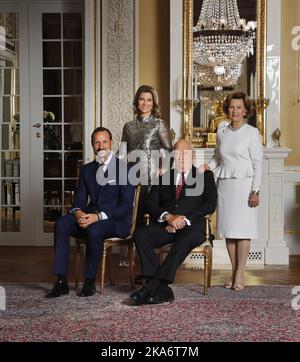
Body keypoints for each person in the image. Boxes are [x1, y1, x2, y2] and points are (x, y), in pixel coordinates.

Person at [45, 127, 135, 298]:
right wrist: (78, 213)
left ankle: (89, 281)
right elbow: (79, 201)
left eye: (104, 142)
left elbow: (125, 206)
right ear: (93, 146)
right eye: (97, 142)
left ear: (111, 143)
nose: (101, 146)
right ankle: (62, 281)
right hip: (91, 217)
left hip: (116, 221)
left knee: (94, 229)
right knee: (62, 224)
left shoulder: (125, 169)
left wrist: (98, 216)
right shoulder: (87, 170)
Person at [129, 139, 217, 305]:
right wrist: (168, 216)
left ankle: (152, 286)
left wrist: (184, 219)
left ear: (193, 155)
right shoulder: (164, 176)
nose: (182, 158)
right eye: (177, 154)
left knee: (185, 238)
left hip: (193, 226)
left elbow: (210, 205)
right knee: (141, 234)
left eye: (185, 154)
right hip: (166, 225)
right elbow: (150, 203)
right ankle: (160, 287)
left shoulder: (204, 175)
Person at [204, 92, 263, 291]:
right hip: (225, 186)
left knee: (243, 231)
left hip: (245, 186)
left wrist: (256, 190)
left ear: (245, 110)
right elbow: (217, 157)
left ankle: (240, 273)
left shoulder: (252, 133)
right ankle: (233, 271)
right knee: (229, 232)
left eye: (239, 107)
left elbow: (258, 163)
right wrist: (207, 167)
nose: (235, 111)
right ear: (227, 109)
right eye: (231, 107)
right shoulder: (222, 131)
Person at [118, 85, 173, 268]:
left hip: (152, 177)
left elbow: (168, 150)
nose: (145, 103)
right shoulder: (129, 126)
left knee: (148, 214)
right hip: (131, 177)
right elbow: (123, 153)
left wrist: (164, 169)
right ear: (136, 101)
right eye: (142, 99)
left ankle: (147, 257)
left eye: (149, 100)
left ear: (153, 103)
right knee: (132, 213)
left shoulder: (158, 124)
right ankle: (129, 251)